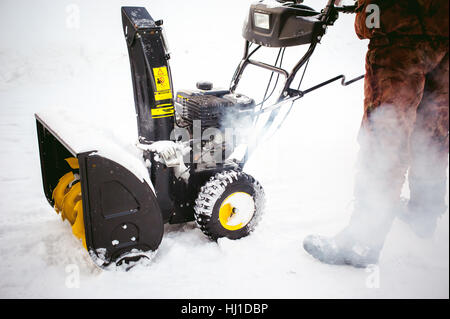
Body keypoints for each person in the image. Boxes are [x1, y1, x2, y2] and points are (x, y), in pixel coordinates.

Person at [303, 0, 449, 267]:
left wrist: (365, 14)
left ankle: (362, 239)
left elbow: (372, 20)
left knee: (386, 133)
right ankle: (424, 213)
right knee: (433, 129)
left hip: (398, 31)